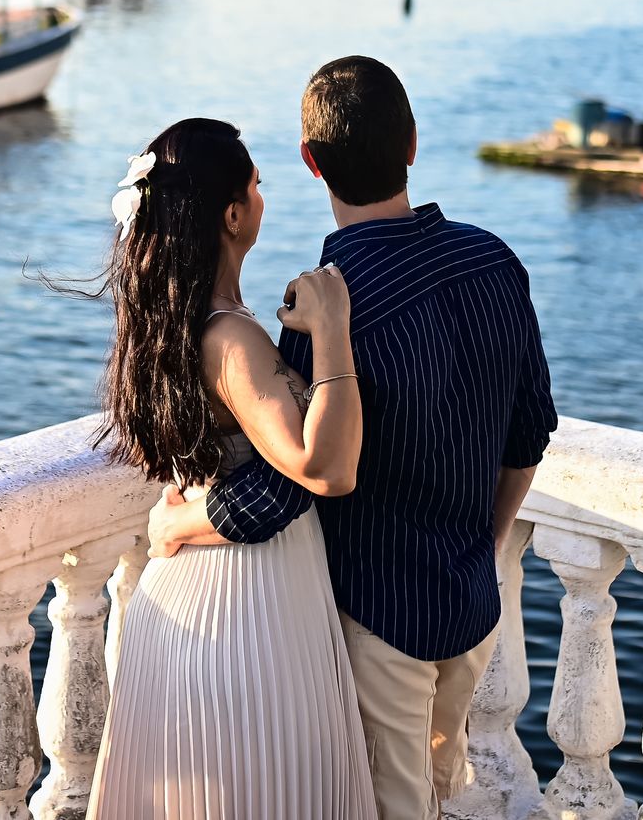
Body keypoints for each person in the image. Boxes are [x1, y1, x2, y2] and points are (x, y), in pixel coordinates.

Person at [150, 56, 558, 819]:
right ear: (412, 142)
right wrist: (489, 544)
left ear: (310, 163)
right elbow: (529, 433)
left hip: (377, 619)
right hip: (473, 601)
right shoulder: (494, 261)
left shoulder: (320, 308)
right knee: (435, 798)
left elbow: (284, 487)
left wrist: (179, 521)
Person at [80, 118, 376, 820]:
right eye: (257, 186)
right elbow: (325, 468)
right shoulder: (230, 334)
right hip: (250, 610)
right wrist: (333, 331)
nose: (262, 200)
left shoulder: (169, 322)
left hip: (192, 596)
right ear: (234, 215)